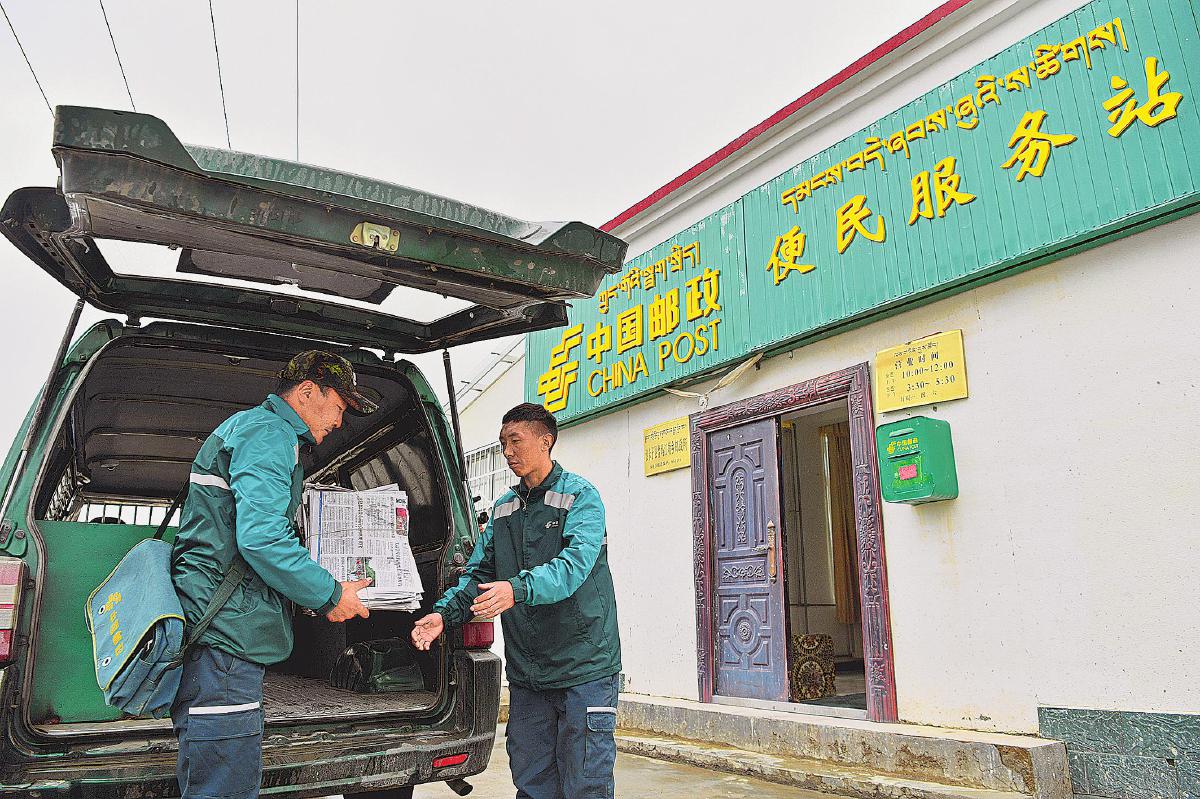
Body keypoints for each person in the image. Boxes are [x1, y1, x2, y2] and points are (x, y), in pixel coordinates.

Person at [170, 351, 379, 799]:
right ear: (307, 391)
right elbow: (262, 538)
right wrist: (330, 594)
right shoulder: (269, 433)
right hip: (226, 640)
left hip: (220, 635)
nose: (339, 422)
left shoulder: (255, 431)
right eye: (338, 406)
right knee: (223, 787)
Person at [412, 403, 621, 799]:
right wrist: (443, 615)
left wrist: (516, 589)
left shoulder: (581, 497)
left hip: (584, 668)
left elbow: (573, 567)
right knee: (532, 782)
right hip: (530, 674)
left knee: (585, 784)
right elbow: (478, 575)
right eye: (502, 444)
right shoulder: (504, 508)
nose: (507, 452)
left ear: (546, 441)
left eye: (515, 441)